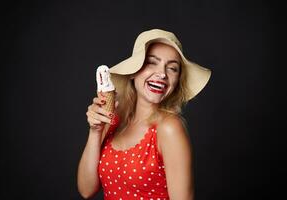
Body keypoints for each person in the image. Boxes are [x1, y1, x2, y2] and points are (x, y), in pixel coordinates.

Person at [77, 29, 211, 200]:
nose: (162, 74)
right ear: (134, 71)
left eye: (172, 68)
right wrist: (95, 131)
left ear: (177, 81)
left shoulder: (169, 128)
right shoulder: (113, 118)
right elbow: (86, 190)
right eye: (151, 62)